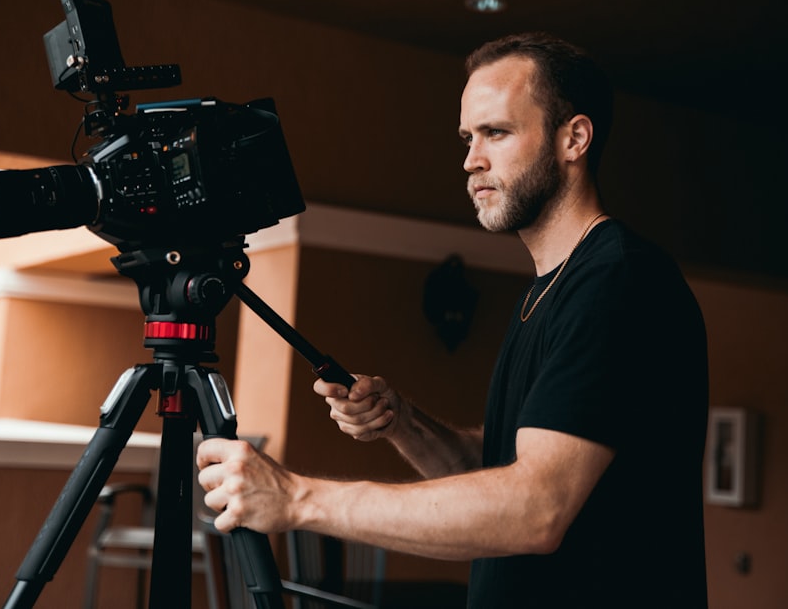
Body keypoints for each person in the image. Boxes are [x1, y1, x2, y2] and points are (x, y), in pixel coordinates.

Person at [197, 32, 710, 607]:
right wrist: (404, 425)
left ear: (575, 138)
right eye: (468, 138)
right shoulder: (548, 290)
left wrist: (298, 499)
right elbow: (496, 468)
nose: (471, 160)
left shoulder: (620, 282)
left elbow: (535, 508)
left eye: (497, 133)